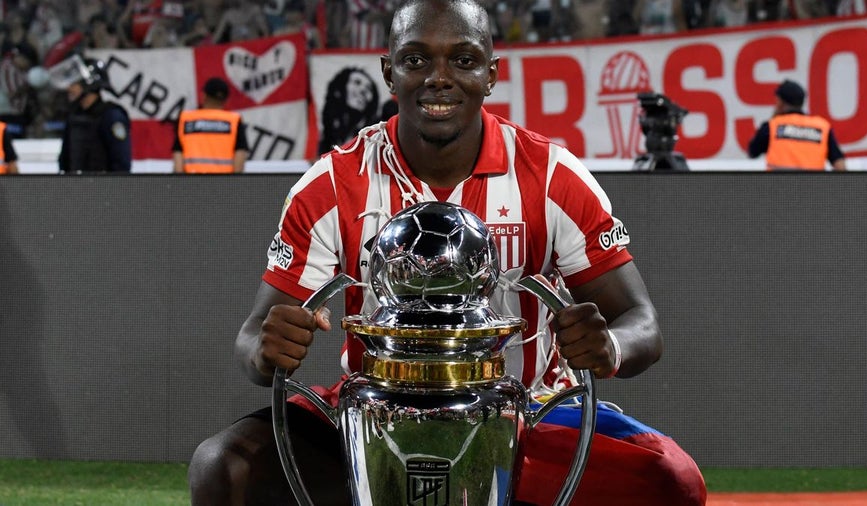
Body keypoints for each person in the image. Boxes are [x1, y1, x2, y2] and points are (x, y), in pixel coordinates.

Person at [188, 0, 707, 505]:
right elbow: (254, 335)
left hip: (533, 413)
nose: (439, 78)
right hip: (376, 414)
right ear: (389, 73)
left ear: (490, 74)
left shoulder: (553, 175)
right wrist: (268, 349)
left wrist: (608, 345)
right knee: (225, 469)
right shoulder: (332, 184)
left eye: (463, 60)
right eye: (416, 60)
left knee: (673, 481)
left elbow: (642, 323)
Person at [747, 79, 847, 171]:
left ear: (780, 102)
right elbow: (840, 166)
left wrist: (774, 118)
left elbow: (752, 152)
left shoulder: (772, 127)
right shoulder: (822, 128)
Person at [54, 55, 131, 173]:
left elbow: (121, 164)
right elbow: (65, 161)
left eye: (74, 83)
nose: (69, 88)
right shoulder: (74, 117)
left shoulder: (111, 116)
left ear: (88, 85)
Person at [172, 77, 249, 174]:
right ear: (226, 100)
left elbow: (178, 155)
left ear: (204, 96)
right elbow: (240, 154)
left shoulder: (186, 119)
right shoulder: (234, 120)